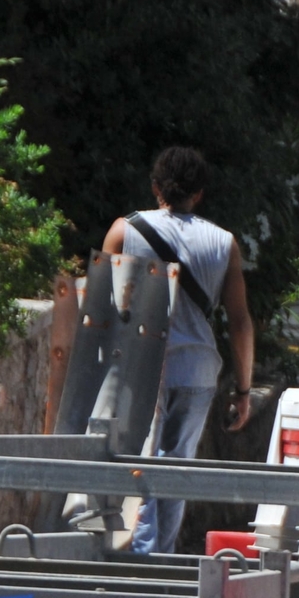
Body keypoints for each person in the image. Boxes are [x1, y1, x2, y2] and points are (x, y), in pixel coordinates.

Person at [100, 147, 252, 554]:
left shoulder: (123, 232)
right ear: (199, 194)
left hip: (141, 366)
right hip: (198, 370)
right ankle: (160, 562)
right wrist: (244, 389)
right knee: (176, 468)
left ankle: (143, 565)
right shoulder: (224, 244)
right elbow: (240, 321)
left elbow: (101, 307)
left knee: (142, 464)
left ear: (155, 188)